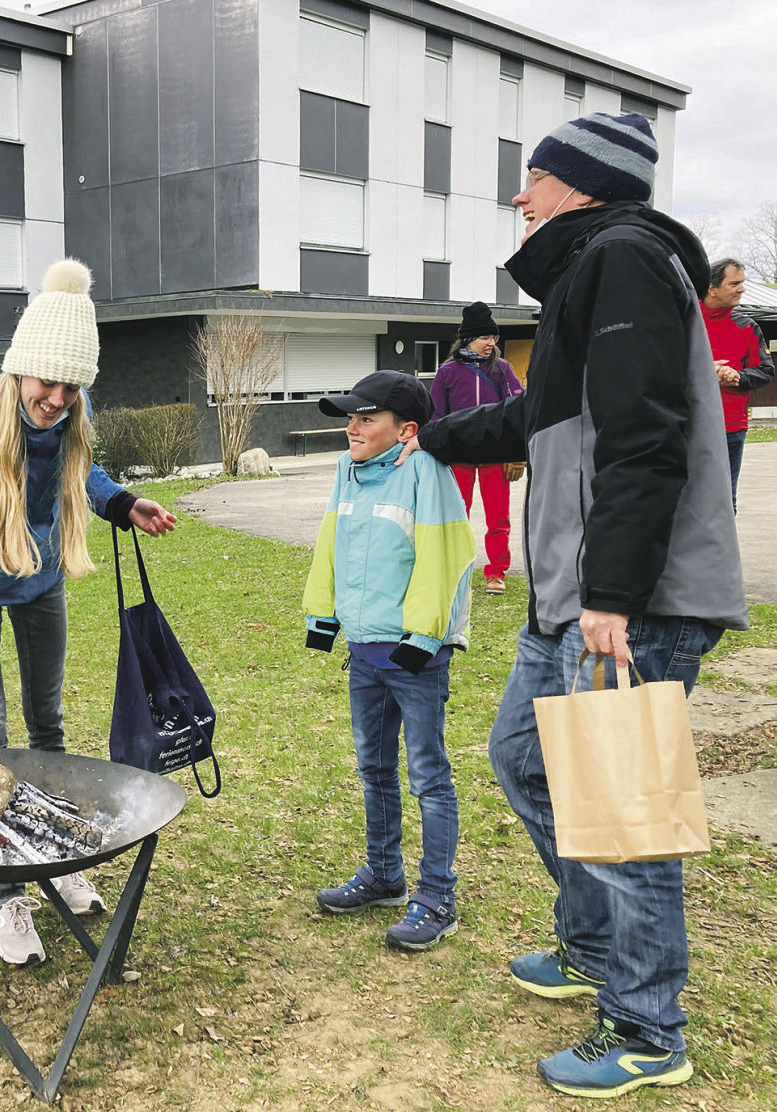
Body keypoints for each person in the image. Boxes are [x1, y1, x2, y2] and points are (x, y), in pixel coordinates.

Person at [403, 113, 747, 1097]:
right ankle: (594, 944)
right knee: (523, 759)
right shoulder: (583, 281)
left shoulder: (629, 259)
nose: (523, 194)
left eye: (537, 177)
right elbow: (531, 418)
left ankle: (647, 1027)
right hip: (567, 594)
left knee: (623, 809)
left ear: (586, 184)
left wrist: (612, 597)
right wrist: (429, 434)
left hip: (625, 599)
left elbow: (646, 440)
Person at [0, 258, 177, 967]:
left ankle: (55, 860)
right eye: (45, 382)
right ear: (20, 371)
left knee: (48, 723)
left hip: (39, 582)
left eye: (69, 385)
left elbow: (81, 475)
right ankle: (9, 897)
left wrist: (122, 504)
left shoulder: (71, 420)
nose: (55, 398)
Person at [304, 371, 473, 953]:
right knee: (374, 768)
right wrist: (322, 617)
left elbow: (447, 555)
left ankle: (437, 897)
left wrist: (424, 638)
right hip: (365, 651)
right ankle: (384, 876)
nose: (351, 427)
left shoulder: (427, 472)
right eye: (349, 417)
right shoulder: (346, 471)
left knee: (428, 777)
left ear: (406, 430)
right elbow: (330, 542)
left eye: (365, 418)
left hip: (414, 657)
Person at [428, 302, 524, 594]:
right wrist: (435, 454)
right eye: (485, 337)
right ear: (468, 338)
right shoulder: (447, 373)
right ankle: (456, 570)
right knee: (458, 516)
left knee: (499, 518)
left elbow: (520, 410)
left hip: (495, 456)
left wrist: (517, 455)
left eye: (493, 338)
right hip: (460, 457)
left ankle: (496, 573)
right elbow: (435, 417)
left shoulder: (502, 369)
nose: (491, 343)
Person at [702, 257, 774, 511]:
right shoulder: (682, 323)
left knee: (724, 502)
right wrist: (702, 372)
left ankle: (722, 552)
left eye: (742, 283)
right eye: (735, 283)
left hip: (731, 427)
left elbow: (766, 370)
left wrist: (738, 377)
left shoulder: (747, 326)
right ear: (712, 288)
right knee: (685, 501)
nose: (742, 289)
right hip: (687, 426)